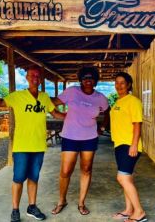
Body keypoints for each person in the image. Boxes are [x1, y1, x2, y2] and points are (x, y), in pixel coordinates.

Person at [0, 67, 65, 222]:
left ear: (40, 79)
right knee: (19, 178)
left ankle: (32, 206)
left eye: (37, 75)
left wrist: (77, 116)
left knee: (34, 178)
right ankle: (15, 210)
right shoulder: (18, 96)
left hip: (38, 146)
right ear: (27, 78)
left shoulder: (44, 97)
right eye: (32, 75)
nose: (35, 77)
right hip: (22, 146)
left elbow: (56, 114)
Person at [51, 67, 109, 216]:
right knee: (65, 171)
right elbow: (53, 102)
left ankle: (81, 203)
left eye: (91, 78)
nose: (87, 80)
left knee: (86, 170)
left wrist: (102, 127)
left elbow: (108, 111)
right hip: (70, 136)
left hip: (89, 138)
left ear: (95, 80)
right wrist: (56, 114)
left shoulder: (100, 97)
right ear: (81, 80)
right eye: (85, 78)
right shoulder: (72, 91)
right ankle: (61, 201)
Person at [110, 72, 147, 222]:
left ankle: (139, 212)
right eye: (116, 83)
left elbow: (137, 124)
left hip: (128, 145)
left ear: (129, 85)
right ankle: (128, 210)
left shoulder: (133, 101)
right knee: (128, 178)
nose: (119, 85)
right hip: (119, 144)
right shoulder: (119, 102)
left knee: (122, 178)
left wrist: (133, 145)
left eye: (122, 83)